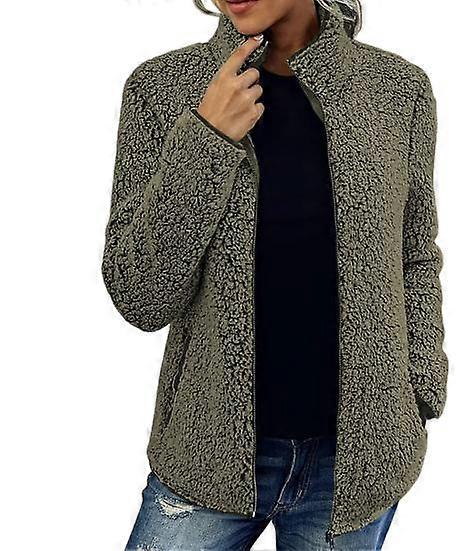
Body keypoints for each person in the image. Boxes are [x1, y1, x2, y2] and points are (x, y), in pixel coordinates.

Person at [101, 0, 448, 549]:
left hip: (358, 461)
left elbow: (415, 254)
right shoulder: (162, 88)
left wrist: (421, 388)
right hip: (207, 451)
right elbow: (139, 295)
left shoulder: (397, 90)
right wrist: (207, 137)